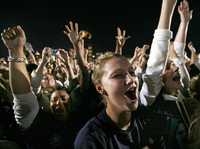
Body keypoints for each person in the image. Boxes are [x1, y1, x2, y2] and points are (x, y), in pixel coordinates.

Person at [74, 0, 182, 148]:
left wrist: (167, 9)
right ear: (100, 88)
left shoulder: (147, 121)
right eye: (117, 75)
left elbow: (154, 71)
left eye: (131, 72)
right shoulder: (90, 139)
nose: (131, 79)